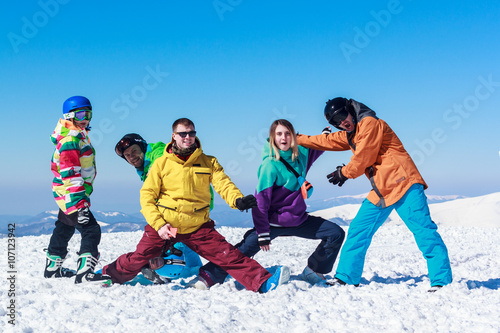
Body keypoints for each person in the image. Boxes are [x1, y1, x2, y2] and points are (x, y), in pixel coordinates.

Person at [297, 97, 453, 292]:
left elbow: (364, 156)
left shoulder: (370, 124)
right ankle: (346, 277)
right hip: (381, 191)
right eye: (336, 122)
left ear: (350, 110)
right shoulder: (351, 134)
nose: (341, 123)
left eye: (342, 116)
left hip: (404, 184)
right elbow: (326, 140)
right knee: (358, 230)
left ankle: (441, 281)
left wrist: (344, 172)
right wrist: (297, 138)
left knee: (424, 232)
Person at [140, 118, 289, 292]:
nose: (188, 137)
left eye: (192, 133)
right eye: (183, 133)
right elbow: (147, 196)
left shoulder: (208, 161)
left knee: (227, 255)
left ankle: (263, 283)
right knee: (139, 257)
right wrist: (159, 224)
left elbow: (223, 183)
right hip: (167, 225)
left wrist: (237, 200)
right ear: (174, 136)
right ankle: (108, 275)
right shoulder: (161, 163)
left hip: (197, 225)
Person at [194, 119, 345, 289]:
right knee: (244, 249)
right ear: (273, 138)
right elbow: (261, 202)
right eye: (279, 134)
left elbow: (318, 148)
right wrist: (263, 232)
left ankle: (313, 271)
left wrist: (324, 137)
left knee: (335, 233)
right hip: (273, 223)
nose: (283, 138)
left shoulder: (301, 156)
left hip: (299, 220)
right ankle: (209, 276)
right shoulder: (269, 165)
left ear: (293, 137)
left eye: (287, 134)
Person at [100, 133, 202, 284]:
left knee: (166, 244)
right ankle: (194, 269)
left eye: (134, 151)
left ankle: (113, 273)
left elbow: (168, 158)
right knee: (184, 239)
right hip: (193, 205)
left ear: (142, 147)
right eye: (127, 155)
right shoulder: (144, 166)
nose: (131, 156)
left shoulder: (157, 155)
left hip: (185, 207)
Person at [45, 96, 112, 285]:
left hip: (66, 194)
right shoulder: (70, 139)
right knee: (91, 230)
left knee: (64, 227)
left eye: (89, 114)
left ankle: (52, 269)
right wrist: (80, 203)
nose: (86, 119)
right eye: (82, 114)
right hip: (71, 194)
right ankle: (84, 273)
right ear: (69, 115)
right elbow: (70, 173)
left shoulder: (78, 134)